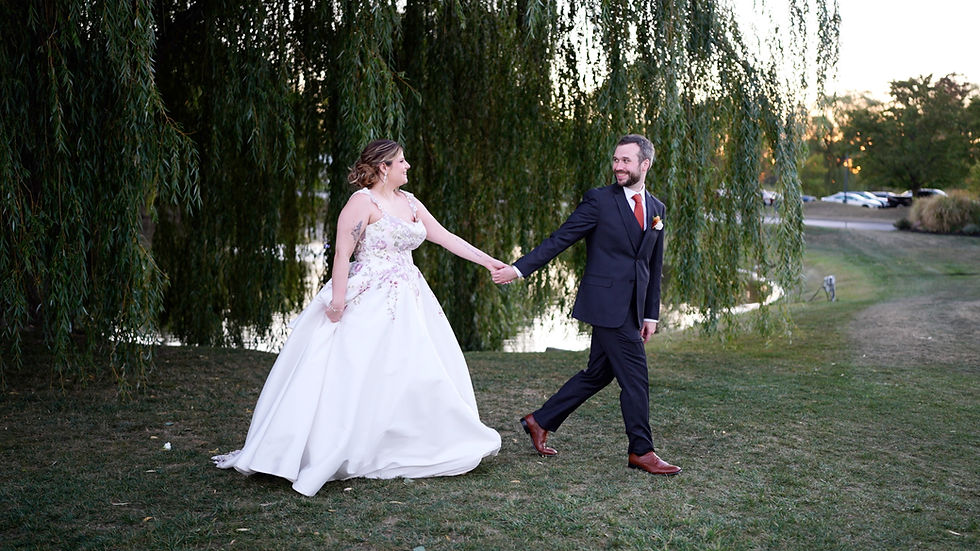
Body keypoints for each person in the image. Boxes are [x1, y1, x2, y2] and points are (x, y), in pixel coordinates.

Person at [213, 139, 502, 496]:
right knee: (356, 372)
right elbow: (342, 256)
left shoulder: (410, 203)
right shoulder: (361, 203)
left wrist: (488, 261)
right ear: (383, 167)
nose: (407, 165)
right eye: (401, 161)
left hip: (409, 298)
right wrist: (336, 303)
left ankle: (407, 441)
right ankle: (332, 447)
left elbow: (445, 238)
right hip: (369, 296)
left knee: (414, 372)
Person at [492, 134, 681, 476]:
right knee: (636, 379)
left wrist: (651, 313)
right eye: (616, 160)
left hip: (634, 308)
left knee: (598, 374)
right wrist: (519, 269)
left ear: (645, 165)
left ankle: (540, 420)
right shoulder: (599, 201)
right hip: (605, 305)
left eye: (626, 161)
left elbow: (652, 266)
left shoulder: (657, 209)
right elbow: (560, 239)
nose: (618, 166)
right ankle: (642, 450)